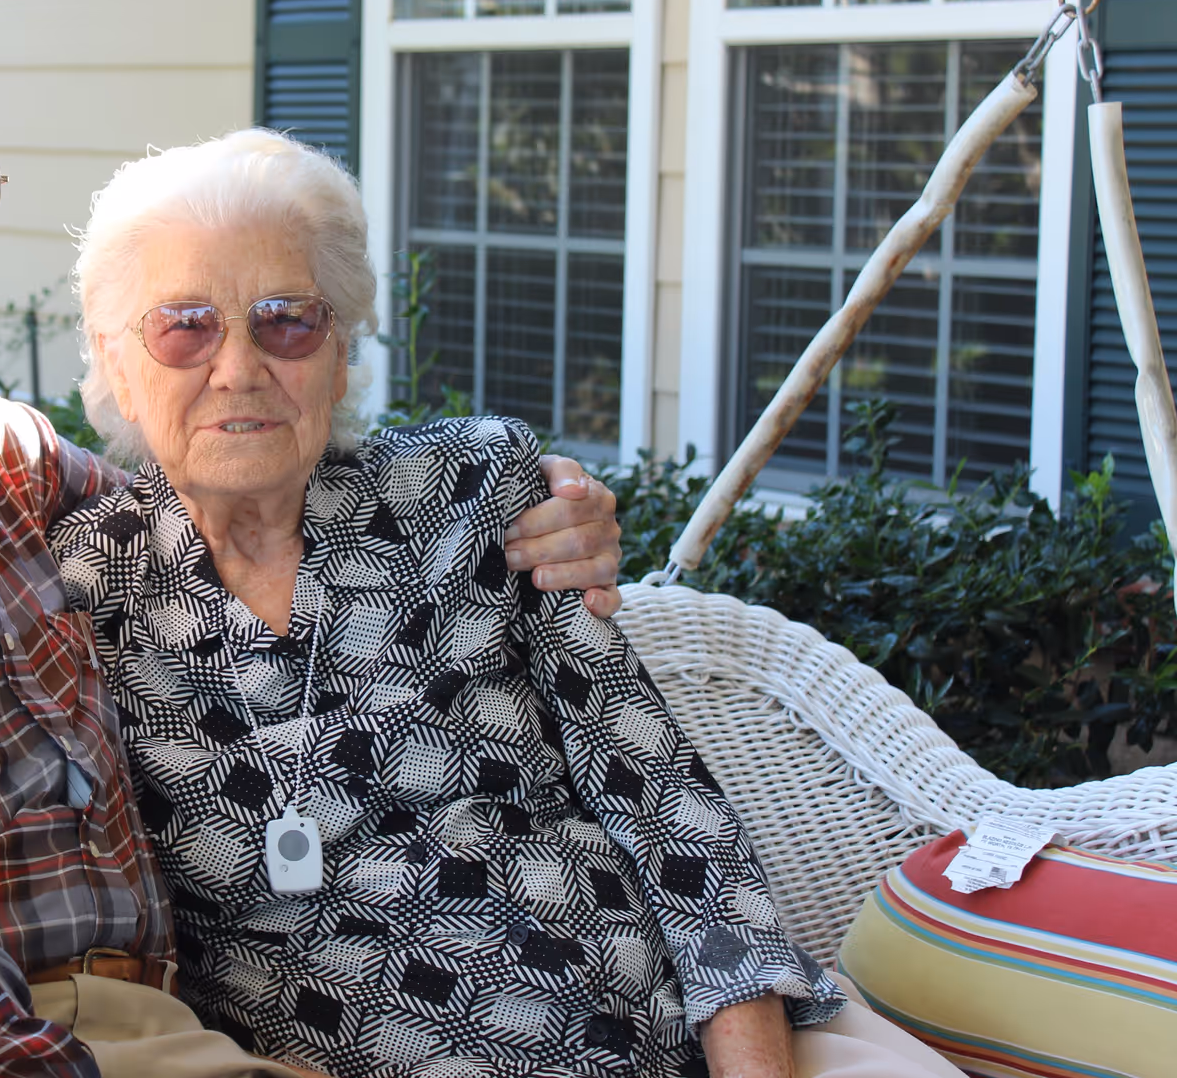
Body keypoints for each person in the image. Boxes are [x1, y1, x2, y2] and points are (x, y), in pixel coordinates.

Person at [0, 20, 624, 1078]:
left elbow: (245, 502)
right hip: (26, 1043)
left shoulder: (5, 459)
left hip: (212, 1025)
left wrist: (526, 512)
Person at [49, 129, 969, 1078]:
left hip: (653, 1012)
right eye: (185, 326)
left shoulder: (478, 492)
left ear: (340, 351)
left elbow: (666, 804)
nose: (238, 368)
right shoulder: (82, 588)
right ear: (120, 364)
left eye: (286, 320)